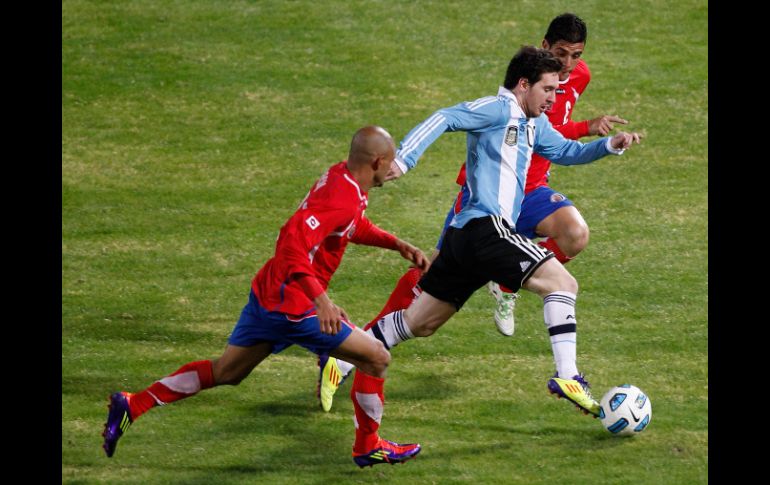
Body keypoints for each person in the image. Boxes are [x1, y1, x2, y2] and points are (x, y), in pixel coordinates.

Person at [317, 13, 630, 412]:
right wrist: (406, 159)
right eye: (547, 90)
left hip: (467, 241)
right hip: (486, 229)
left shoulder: (535, 122)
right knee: (562, 284)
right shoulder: (498, 109)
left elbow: (566, 151)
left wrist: (610, 146)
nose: (554, 98)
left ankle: (341, 356)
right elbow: (445, 117)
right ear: (522, 85)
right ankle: (567, 376)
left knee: (420, 323)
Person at [101, 126, 430, 468]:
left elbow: (349, 226)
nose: (393, 170)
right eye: (390, 163)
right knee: (376, 357)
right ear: (377, 161)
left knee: (227, 371)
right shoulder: (342, 197)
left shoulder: (342, 177)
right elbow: (291, 243)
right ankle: (368, 446)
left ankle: (133, 403)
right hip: (295, 307)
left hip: (269, 294)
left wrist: (396, 244)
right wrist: (322, 301)